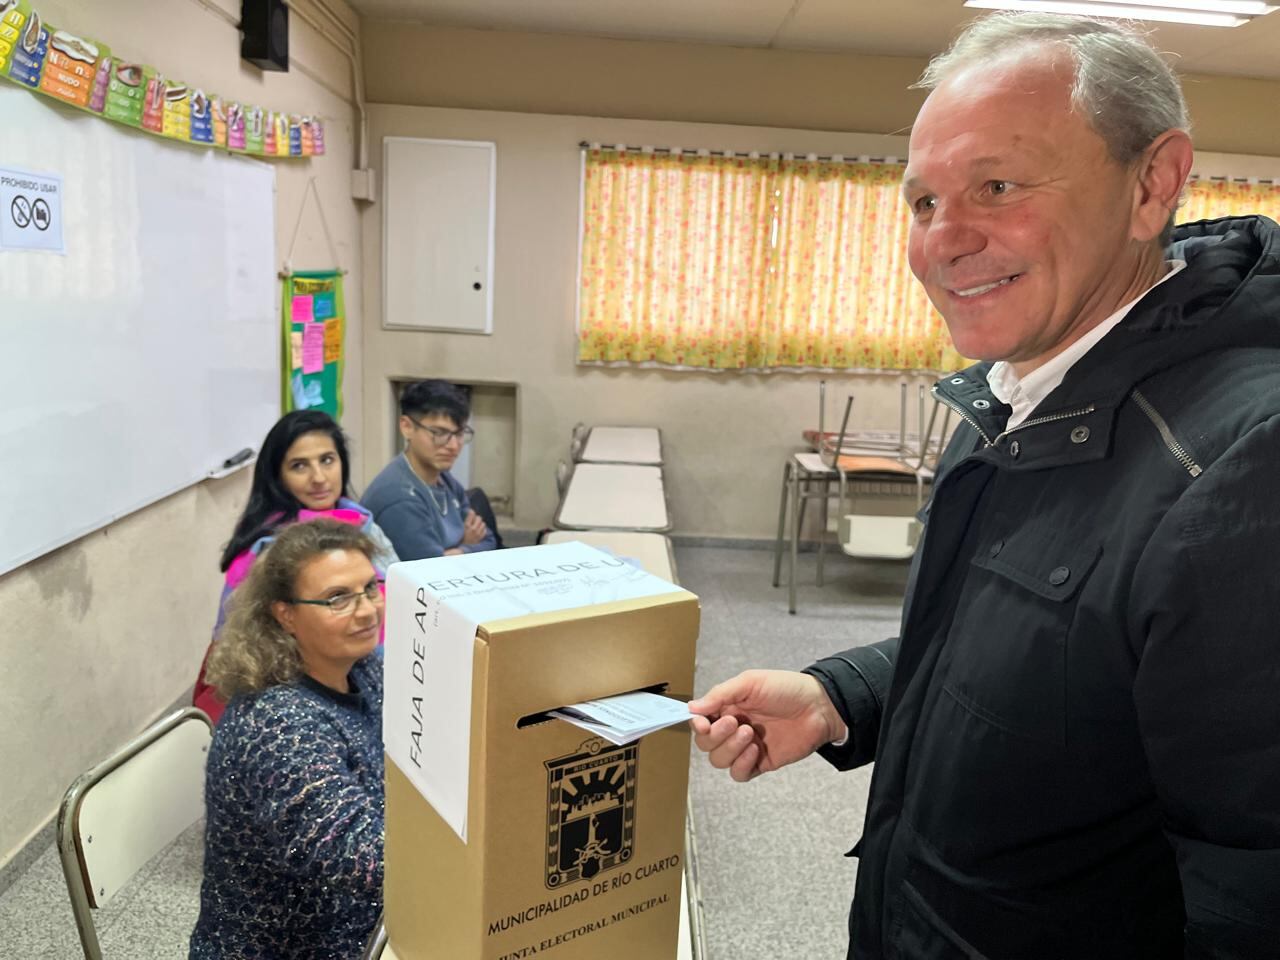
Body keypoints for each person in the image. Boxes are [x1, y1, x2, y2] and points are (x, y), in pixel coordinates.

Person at [690, 13, 1280, 959]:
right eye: (923, 203)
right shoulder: (1030, 381)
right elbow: (1052, 642)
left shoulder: (1243, 464)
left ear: (1153, 184)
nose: (943, 241)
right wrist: (842, 696)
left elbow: (1254, 891)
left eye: (996, 186)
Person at [189, 519, 384, 960]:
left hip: (356, 923)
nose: (368, 609)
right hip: (294, 947)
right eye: (338, 598)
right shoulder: (278, 724)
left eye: (370, 588)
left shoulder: (361, 668)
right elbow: (366, 861)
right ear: (286, 614)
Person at [194, 410, 398, 723]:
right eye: (299, 466)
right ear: (277, 476)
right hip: (313, 700)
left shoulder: (362, 523)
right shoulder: (266, 551)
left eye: (327, 460)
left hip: (382, 679)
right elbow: (265, 659)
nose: (319, 477)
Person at [362, 379, 501, 559]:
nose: (453, 446)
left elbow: (489, 540)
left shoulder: (443, 479)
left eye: (459, 434)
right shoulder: (399, 498)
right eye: (439, 433)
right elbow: (430, 574)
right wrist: (465, 544)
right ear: (407, 427)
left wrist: (458, 550)